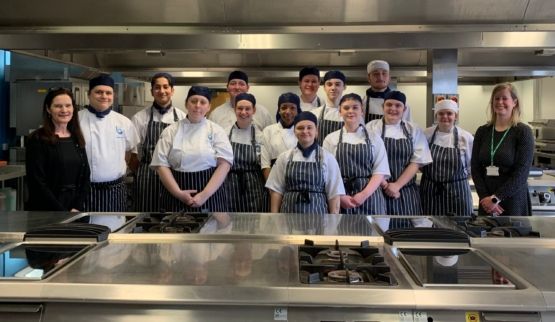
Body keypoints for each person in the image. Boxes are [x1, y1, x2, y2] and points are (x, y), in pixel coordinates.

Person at [151, 86, 233, 212]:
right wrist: (178, 193)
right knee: (176, 229)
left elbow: (224, 164)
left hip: (210, 195)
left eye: (203, 102)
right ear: (186, 104)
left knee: (211, 230)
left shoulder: (216, 131)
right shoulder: (171, 131)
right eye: (193, 101)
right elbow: (161, 164)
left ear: (209, 107)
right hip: (176, 195)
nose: (198, 105)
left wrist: (205, 194)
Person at [366, 91, 432, 221]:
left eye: (398, 105)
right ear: (383, 107)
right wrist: (386, 185)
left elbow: (417, 161)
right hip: (376, 190)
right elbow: (367, 160)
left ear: (404, 109)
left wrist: (397, 185)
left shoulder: (413, 129)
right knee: (379, 231)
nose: (393, 109)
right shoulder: (371, 127)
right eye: (389, 105)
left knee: (407, 233)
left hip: (405, 191)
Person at [79, 75, 139, 216]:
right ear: (89, 94)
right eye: (99, 92)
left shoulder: (124, 122)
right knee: (85, 233)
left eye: (108, 93)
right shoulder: (76, 120)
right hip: (84, 190)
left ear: (113, 95)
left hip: (115, 190)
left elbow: (130, 152)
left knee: (114, 231)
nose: (104, 96)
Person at [471, 83, 534, 216]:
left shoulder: (523, 132)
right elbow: (475, 168)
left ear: (514, 102)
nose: (500, 102)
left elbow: (522, 173)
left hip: (512, 200)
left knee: (512, 236)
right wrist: (485, 198)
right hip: (486, 201)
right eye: (496, 98)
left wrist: (496, 198)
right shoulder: (483, 131)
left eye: (504, 98)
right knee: (486, 235)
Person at [266, 112, 345, 214]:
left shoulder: (327, 158)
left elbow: (334, 194)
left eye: (309, 127)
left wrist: (332, 224)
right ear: (294, 131)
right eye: (300, 128)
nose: (305, 131)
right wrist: (274, 218)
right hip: (288, 218)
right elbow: (276, 191)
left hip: (318, 219)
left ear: (316, 131)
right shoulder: (284, 157)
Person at [323, 93, 390, 215]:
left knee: (373, 233)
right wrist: (341, 196)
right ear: (340, 111)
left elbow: (379, 172)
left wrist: (363, 195)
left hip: (371, 196)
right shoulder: (330, 139)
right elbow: (327, 173)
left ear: (362, 111)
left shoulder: (374, 138)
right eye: (346, 108)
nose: (350, 111)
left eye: (355, 107)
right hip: (340, 196)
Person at [26, 88, 90, 212]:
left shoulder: (76, 137)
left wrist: (77, 205)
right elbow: (37, 182)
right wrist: (60, 212)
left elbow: (86, 175)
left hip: (75, 210)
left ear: (73, 108)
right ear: (48, 109)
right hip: (47, 211)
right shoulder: (37, 138)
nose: (64, 110)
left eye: (68, 105)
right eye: (58, 106)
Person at [130, 72, 187, 212]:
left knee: (173, 215)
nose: (162, 91)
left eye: (166, 87)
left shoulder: (182, 118)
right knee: (145, 215)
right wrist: (142, 172)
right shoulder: (139, 118)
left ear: (172, 91)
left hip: (174, 176)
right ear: (152, 91)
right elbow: (132, 153)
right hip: (147, 177)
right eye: (157, 87)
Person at [420, 99, 474, 216]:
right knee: (431, 227)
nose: (445, 116)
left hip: (458, 192)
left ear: (456, 116)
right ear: (436, 116)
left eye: (449, 113)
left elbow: (471, 167)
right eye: (441, 113)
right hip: (430, 192)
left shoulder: (465, 137)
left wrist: (455, 181)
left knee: (460, 228)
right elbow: (419, 162)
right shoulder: (426, 134)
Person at [223, 93, 268, 212]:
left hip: (254, 187)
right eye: (240, 108)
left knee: (254, 223)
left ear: (254, 110)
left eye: (247, 109)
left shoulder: (261, 136)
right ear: (234, 109)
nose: (243, 112)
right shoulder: (224, 134)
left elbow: (264, 165)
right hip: (229, 185)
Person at [208, 70, 273, 131]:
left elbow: (270, 137)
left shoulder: (263, 113)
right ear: (227, 87)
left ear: (247, 88)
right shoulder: (216, 114)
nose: (237, 87)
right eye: (233, 83)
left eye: (241, 84)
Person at [261, 92, 302, 179]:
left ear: (298, 111)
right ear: (279, 110)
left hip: (299, 178)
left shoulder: (303, 131)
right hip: (274, 178)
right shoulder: (268, 131)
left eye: (292, 108)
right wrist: (271, 190)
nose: (288, 111)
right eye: (284, 107)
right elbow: (265, 165)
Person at [310, 70, 346, 144]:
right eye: (329, 84)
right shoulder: (314, 114)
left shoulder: (351, 115)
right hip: (320, 155)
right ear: (324, 87)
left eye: (337, 84)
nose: (333, 88)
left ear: (344, 87)